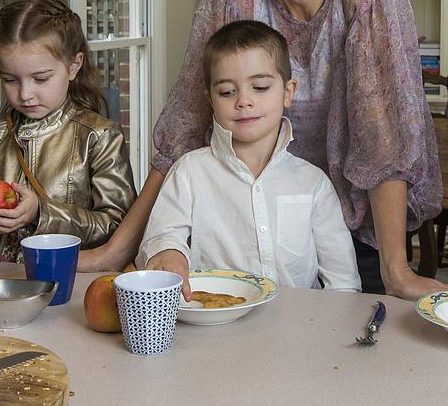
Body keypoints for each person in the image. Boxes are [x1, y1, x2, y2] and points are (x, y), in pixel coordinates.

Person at [83, 0, 445, 300]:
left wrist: (397, 269)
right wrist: (120, 249)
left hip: (355, 231)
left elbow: (385, 139)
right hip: (242, 228)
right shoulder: (229, 1)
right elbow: (184, 132)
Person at [139, 20, 360, 296]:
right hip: (214, 324)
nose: (244, 101)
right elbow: (162, 235)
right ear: (211, 100)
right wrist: (169, 252)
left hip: (297, 330)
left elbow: (344, 283)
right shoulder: (189, 172)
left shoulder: (313, 184)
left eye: (260, 87)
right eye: (227, 92)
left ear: (288, 92)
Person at [0, 0, 136, 261]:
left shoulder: (99, 137)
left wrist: (42, 214)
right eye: (10, 79)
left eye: (40, 79)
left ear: (73, 66)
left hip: (70, 289)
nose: (25, 94)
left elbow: (119, 228)